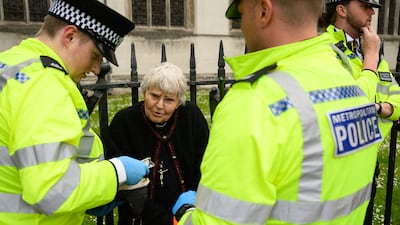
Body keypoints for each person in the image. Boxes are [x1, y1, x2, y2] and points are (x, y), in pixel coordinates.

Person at [171, 0, 384, 224]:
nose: (242, 26)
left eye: (242, 15)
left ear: (264, 10)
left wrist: (186, 213)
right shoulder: (349, 83)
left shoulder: (255, 103)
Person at [0, 0, 150, 224]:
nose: (96, 69)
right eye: (96, 56)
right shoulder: (45, 86)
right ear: (70, 36)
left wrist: (92, 193)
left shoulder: (12, 64)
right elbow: (53, 190)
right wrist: (116, 172)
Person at [319, 1, 400, 223]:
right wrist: (371, 58)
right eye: (365, 5)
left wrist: (382, 108)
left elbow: (396, 97)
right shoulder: (322, 48)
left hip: (366, 162)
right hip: (335, 163)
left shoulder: (368, 48)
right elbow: (353, 103)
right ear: (341, 10)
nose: (372, 11)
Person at [107, 62, 209, 225]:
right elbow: (123, 184)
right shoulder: (124, 123)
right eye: (154, 96)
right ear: (144, 92)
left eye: (169, 100)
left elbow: (205, 165)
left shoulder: (191, 117)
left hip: (187, 217)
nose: (159, 106)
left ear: (178, 103)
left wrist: (188, 209)